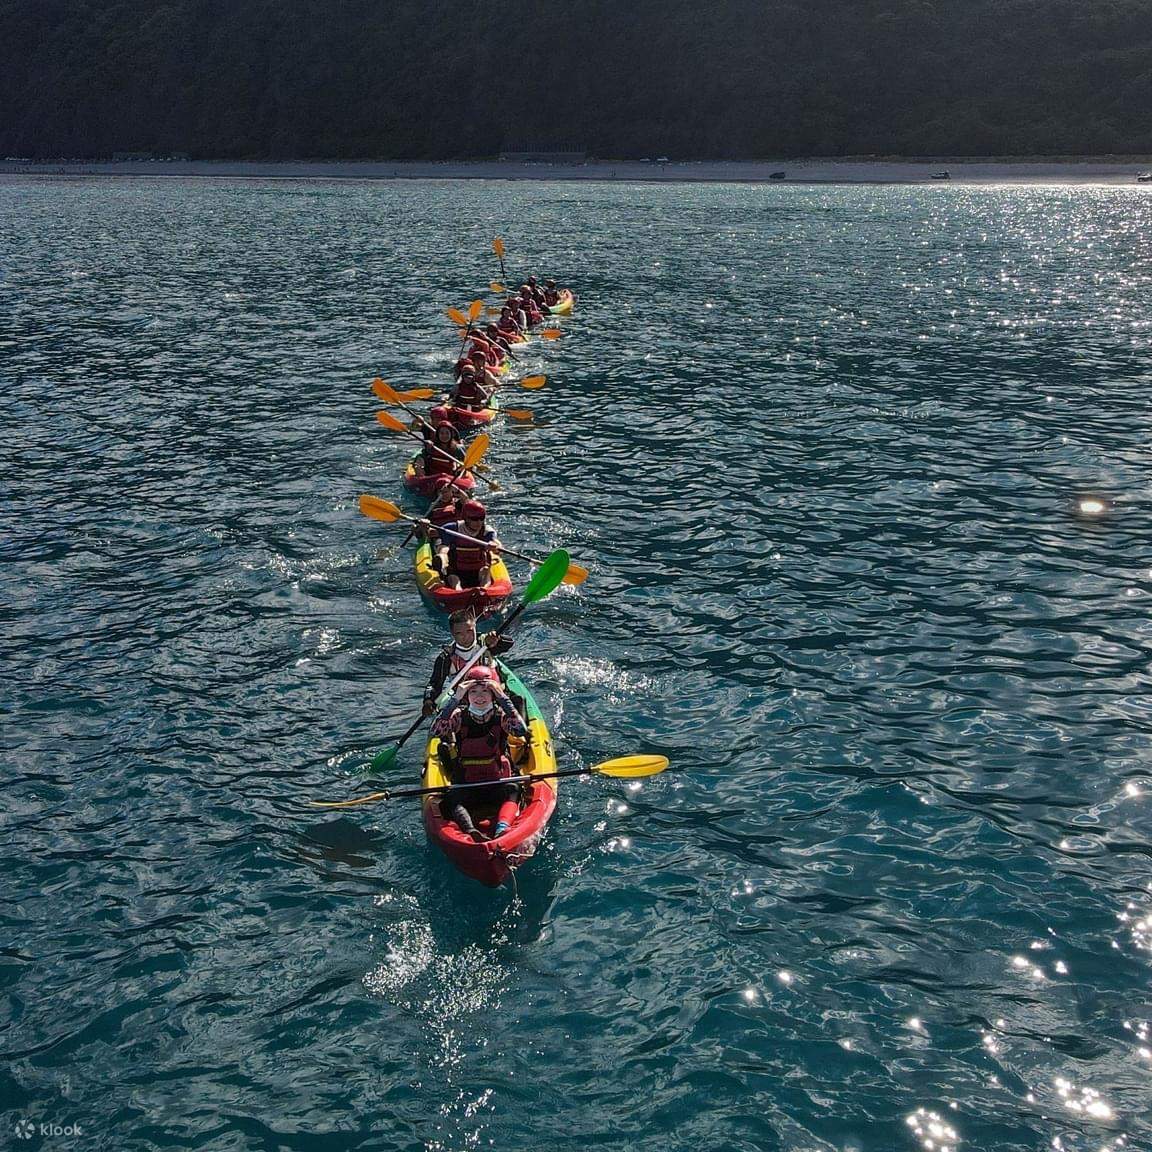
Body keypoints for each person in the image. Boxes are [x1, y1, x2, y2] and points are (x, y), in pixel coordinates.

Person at [431, 666, 528, 841]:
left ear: (493, 694)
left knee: (514, 789)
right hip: (467, 783)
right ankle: (471, 832)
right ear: (467, 696)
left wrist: (502, 697)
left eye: (485, 691)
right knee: (452, 800)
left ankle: (502, 828)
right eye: (473, 691)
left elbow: (520, 730)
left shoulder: (501, 716)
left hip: (496, 780)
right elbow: (436, 731)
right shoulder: (459, 716)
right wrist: (455, 698)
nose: (479, 697)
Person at [422, 610, 513, 713]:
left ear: (475, 627)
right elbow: (434, 683)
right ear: (452, 634)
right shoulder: (445, 658)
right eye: (459, 633)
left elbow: (508, 644)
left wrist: (498, 639)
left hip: (495, 696)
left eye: (469, 631)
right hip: (464, 703)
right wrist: (428, 701)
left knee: (518, 701)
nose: (465, 637)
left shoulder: (486, 643)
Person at [430, 499, 501, 590]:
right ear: (466, 518)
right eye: (474, 519)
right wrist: (423, 526)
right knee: (453, 577)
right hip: (457, 569)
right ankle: (457, 590)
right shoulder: (453, 528)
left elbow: (497, 543)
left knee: (485, 570)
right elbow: (431, 533)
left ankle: (484, 589)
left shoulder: (487, 531)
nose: (479, 522)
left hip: (478, 569)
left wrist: (495, 546)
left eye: (481, 518)